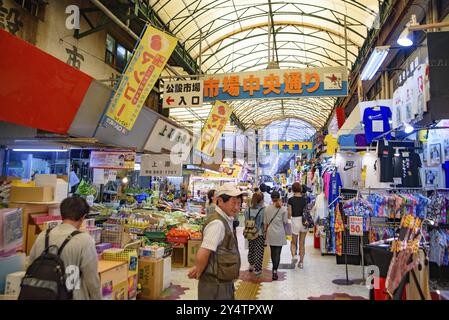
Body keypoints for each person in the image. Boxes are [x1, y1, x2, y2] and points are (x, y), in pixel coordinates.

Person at [28, 196, 101, 300]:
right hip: (72, 295)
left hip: (43, 294)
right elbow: (92, 280)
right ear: (82, 217)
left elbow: (30, 266)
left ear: (62, 214)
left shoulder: (43, 235)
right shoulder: (85, 241)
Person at [188, 183, 244, 300]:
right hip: (215, 285)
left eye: (239, 203)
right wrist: (199, 271)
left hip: (222, 282)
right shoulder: (217, 223)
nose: (236, 207)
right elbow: (204, 251)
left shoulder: (226, 219)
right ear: (220, 201)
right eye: (233, 202)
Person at [264, 191, 288, 280]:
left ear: (271, 198)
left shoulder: (267, 209)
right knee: (278, 253)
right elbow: (285, 221)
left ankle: (273, 269)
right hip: (280, 233)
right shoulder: (283, 209)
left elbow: (265, 222)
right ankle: (275, 270)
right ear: (279, 198)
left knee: (273, 252)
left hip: (270, 233)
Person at [287, 182, 308, 268]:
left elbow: (289, 213)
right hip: (304, 222)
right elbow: (306, 211)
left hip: (295, 221)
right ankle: (301, 262)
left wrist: (288, 218)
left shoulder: (290, 200)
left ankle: (294, 256)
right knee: (302, 243)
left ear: (293, 189)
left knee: (293, 242)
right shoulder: (305, 200)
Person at [244, 192, 265, 275]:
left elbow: (245, 221)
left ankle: (251, 265)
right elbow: (263, 222)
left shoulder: (247, 209)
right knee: (259, 250)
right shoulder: (262, 210)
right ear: (261, 201)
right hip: (259, 233)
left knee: (251, 249)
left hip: (249, 232)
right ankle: (257, 269)